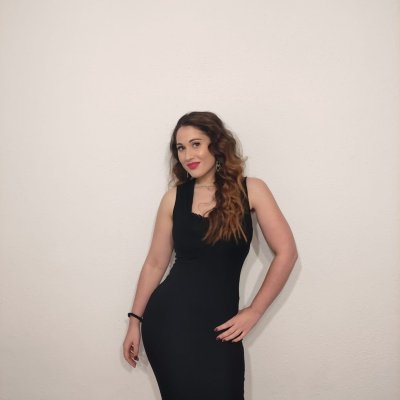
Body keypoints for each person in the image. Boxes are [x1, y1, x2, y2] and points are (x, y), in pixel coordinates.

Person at [123, 111, 298, 399]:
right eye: (181, 148)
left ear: (216, 145)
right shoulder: (173, 198)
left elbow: (287, 252)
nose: (187, 155)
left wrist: (255, 310)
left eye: (196, 144)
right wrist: (134, 321)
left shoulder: (252, 190)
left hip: (221, 327)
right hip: (169, 325)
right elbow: (155, 263)